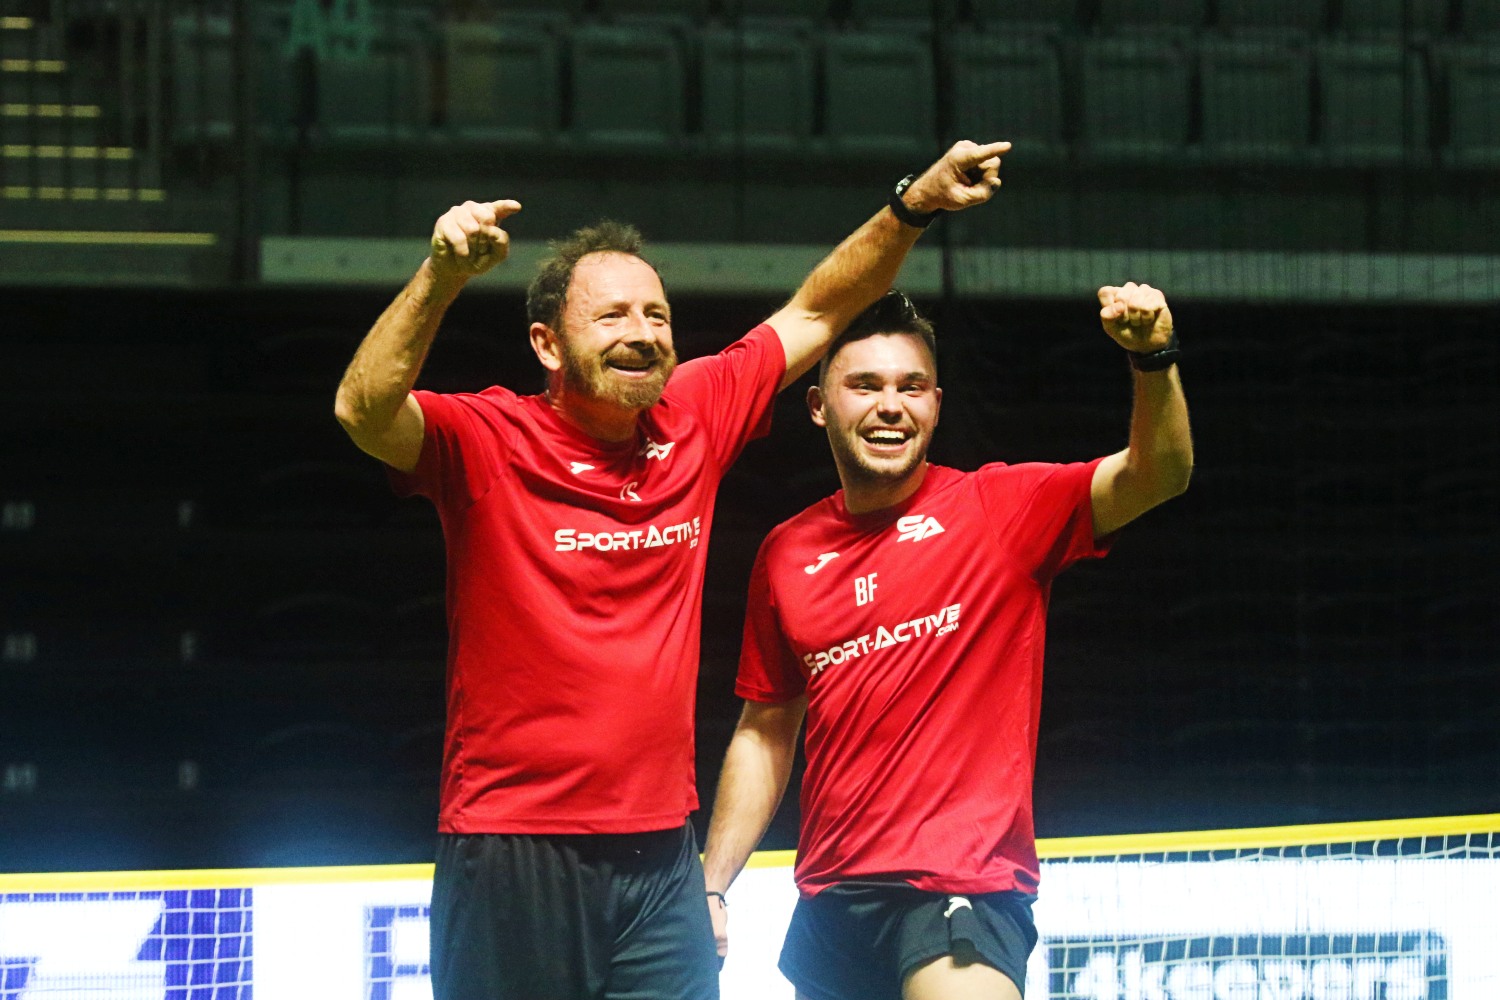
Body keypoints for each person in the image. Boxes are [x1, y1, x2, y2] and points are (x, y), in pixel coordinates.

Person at [331, 140, 1011, 1000]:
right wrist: (440, 276)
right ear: (547, 344)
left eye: (656, 315)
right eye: (612, 316)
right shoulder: (487, 441)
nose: (644, 333)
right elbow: (362, 410)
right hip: (516, 845)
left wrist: (912, 206)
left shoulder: (694, 415)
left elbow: (819, 307)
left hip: (661, 856)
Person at [702, 285, 1193, 1000]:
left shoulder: (998, 508)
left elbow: (1160, 473)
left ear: (936, 405)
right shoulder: (787, 552)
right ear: (817, 406)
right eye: (864, 386)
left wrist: (1153, 359)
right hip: (832, 899)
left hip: (962, 886)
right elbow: (766, 728)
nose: (890, 405)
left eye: (911, 388)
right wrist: (711, 886)